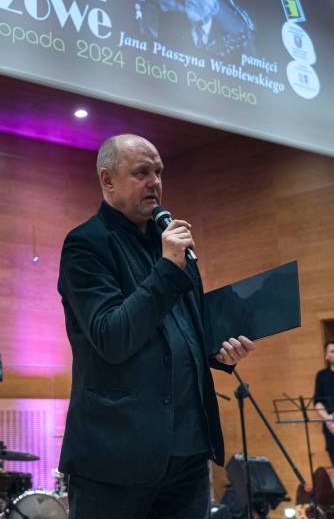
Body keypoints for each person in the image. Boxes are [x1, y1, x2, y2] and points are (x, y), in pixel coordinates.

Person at [57, 134, 255, 519]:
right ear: (107, 180)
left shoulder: (172, 247)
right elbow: (112, 337)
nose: (155, 182)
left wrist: (220, 352)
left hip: (188, 451)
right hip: (115, 456)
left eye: (159, 172)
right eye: (141, 173)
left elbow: (185, 331)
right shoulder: (86, 245)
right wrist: (167, 267)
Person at [313, 341, 334, 465]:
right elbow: (317, 401)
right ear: (326, 355)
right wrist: (328, 420)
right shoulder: (321, 375)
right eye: (332, 351)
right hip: (330, 426)